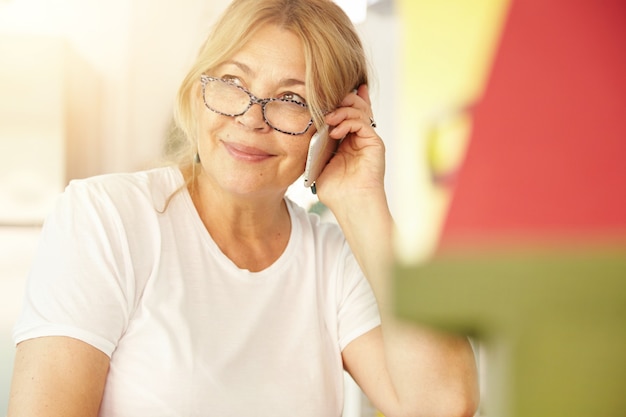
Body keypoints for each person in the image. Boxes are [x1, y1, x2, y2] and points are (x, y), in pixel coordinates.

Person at [8, 0, 479, 416]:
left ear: (333, 124)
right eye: (233, 82)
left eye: (292, 99)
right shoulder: (106, 217)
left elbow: (442, 404)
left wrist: (362, 201)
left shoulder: (335, 261)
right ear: (199, 89)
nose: (251, 118)